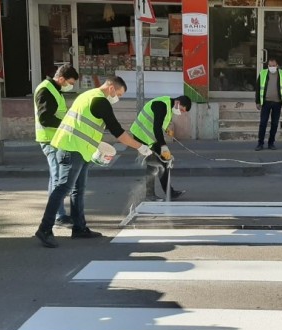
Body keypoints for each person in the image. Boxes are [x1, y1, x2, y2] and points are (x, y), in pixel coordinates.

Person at [34, 76, 152, 248]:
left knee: (78, 190)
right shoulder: (100, 101)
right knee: (63, 188)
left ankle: (79, 228)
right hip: (71, 148)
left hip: (79, 149)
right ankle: (44, 229)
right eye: (118, 94)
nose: (117, 99)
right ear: (111, 88)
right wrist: (140, 147)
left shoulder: (86, 95)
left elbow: (84, 126)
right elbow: (118, 132)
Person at [34, 64, 79, 227]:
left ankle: (58, 213)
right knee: (58, 178)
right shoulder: (46, 89)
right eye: (70, 83)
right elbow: (45, 119)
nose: (71, 86)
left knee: (56, 176)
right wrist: (67, 126)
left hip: (55, 139)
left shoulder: (54, 89)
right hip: (50, 140)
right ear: (61, 79)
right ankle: (59, 216)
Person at [130, 95, 192, 201]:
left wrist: (167, 129)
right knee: (153, 164)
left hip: (151, 138)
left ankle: (169, 192)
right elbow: (157, 128)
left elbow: (160, 122)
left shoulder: (169, 106)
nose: (181, 112)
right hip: (141, 136)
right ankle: (149, 195)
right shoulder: (162, 105)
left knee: (164, 162)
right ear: (178, 103)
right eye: (182, 110)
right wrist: (163, 146)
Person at [254, 58, 282, 151]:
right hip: (265, 102)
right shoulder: (263, 73)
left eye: (273, 65)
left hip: (277, 103)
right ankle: (260, 143)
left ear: (277, 65)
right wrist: (257, 101)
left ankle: (271, 143)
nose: (272, 67)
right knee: (263, 123)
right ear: (268, 66)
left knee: (274, 124)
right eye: (270, 66)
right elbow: (258, 88)